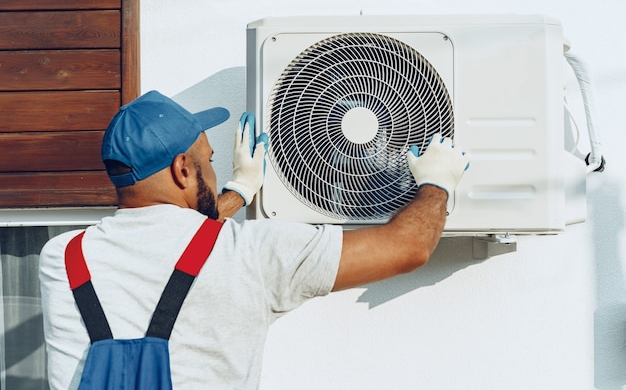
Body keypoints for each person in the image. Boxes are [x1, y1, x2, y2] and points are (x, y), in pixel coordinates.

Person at [39, 90, 469, 390]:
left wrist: (238, 192)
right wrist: (438, 182)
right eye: (207, 160)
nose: (211, 167)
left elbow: (179, 243)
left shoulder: (61, 258)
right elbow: (408, 247)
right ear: (183, 170)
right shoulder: (254, 253)